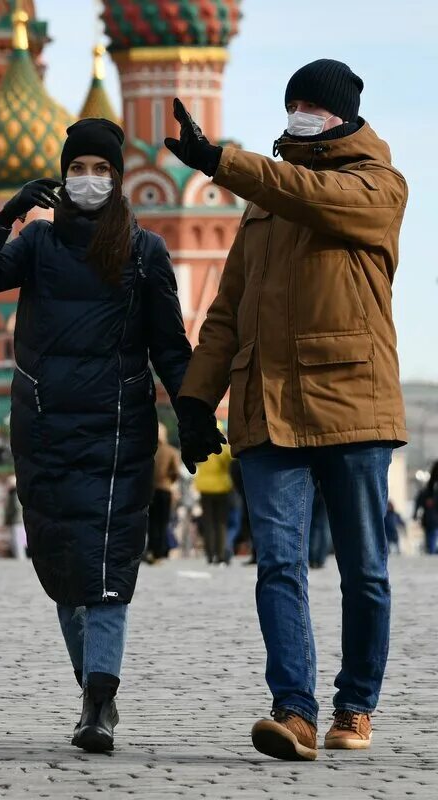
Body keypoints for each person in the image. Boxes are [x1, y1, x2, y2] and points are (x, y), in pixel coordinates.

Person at [168, 59, 408, 759]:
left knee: (363, 567)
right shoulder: (263, 202)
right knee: (277, 563)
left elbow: (309, 193)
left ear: (343, 116)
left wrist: (220, 161)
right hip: (268, 406)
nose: (298, 111)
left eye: (311, 104)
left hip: (351, 403)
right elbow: (227, 312)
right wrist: (193, 399)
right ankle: (294, 711)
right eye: (292, 101)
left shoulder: (375, 187)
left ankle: (356, 705)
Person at [0, 118, 194, 753]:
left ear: (118, 179)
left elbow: (170, 345)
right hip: (46, 427)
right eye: (78, 169)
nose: (89, 181)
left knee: (108, 570)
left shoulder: (144, 252)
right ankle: (92, 687)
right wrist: (5, 216)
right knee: (62, 568)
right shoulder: (38, 245)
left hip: (116, 431)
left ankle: (99, 703)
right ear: (61, 178)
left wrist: (193, 414)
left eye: (101, 170)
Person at [193, 432, 234, 565]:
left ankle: (209, 554)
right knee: (221, 522)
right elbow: (230, 459)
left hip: (205, 487)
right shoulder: (222, 449)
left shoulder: (201, 445)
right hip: (221, 487)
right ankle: (220, 554)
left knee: (208, 522)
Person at [146, 424, 179, 564]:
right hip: (165, 489)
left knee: (151, 522)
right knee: (163, 522)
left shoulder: (150, 451)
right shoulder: (171, 451)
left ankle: (151, 551)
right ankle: (160, 552)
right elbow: (176, 472)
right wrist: (169, 480)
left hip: (150, 490)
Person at [414, 462, 438, 555]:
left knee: (431, 537)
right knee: (431, 537)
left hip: (430, 518)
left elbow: (419, 500)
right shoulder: (430, 487)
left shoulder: (430, 487)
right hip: (430, 518)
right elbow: (420, 500)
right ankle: (431, 551)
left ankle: (431, 551)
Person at [308, 480, 333, 569]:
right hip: (326, 491)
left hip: (316, 490)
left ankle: (313, 557)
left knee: (315, 524)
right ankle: (320, 558)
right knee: (323, 526)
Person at [5, 478, 26, 559]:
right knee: (17, 540)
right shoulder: (12, 493)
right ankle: (20, 556)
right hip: (17, 520)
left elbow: (16, 507)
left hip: (17, 520)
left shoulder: (15, 493)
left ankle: (21, 557)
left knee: (19, 540)